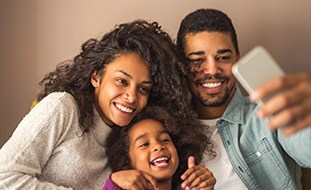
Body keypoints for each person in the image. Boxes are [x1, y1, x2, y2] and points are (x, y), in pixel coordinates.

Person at [0, 19, 194, 190]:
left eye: (143, 88)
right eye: (122, 81)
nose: (132, 97)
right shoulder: (62, 107)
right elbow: (4, 178)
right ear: (96, 77)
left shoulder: (132, 137)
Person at [176, 8, 311, 189]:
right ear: (181, 65)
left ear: (237, 58)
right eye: (197, 60)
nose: (212, 70)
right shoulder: (168, 132)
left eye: (223, 57)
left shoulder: (269, 111)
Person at [104, 105, 216, 190]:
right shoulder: (114, 184)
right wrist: (113, 183)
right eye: (144, 144)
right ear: (127, 161)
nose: (158, 146)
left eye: (165, 140)